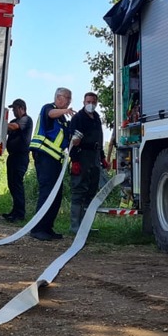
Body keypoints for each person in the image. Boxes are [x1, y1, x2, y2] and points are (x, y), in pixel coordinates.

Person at [28, 87, 74, 241]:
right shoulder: (49, 108)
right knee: (47, 193)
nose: (68, 101)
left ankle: (47, 228)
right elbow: (50, 114)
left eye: (69, 99)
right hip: (45, 157)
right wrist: (65, 111)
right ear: (58, 97)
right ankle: (38, 228)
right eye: (66, 98)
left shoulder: (63, 120)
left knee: (56, 196)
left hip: (56, 161)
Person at [65, 92, 104, 234]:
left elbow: (99, 137)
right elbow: (72, 140)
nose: (91, 104)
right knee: (79, 190)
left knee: (91, 190)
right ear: (83, 102)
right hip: (81, 156)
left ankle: (85, 226)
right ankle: (75, 226)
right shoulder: (78, 118)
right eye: (88, 101)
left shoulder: (97, 118)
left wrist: (102, 157)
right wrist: (74, 160)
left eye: (93, 102)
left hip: (94, 156)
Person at [2, 99, 33, 222]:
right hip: (13, 156)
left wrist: (2, 122)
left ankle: (20, 214)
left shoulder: (26, 120)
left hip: (21, 157)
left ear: (21, 108)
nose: (14, 111)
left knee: (17, 184)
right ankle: (14, 212)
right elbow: (8, 129)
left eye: (15, 108)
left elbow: (14, 127)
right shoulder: (14, 120)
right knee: (12, 184)